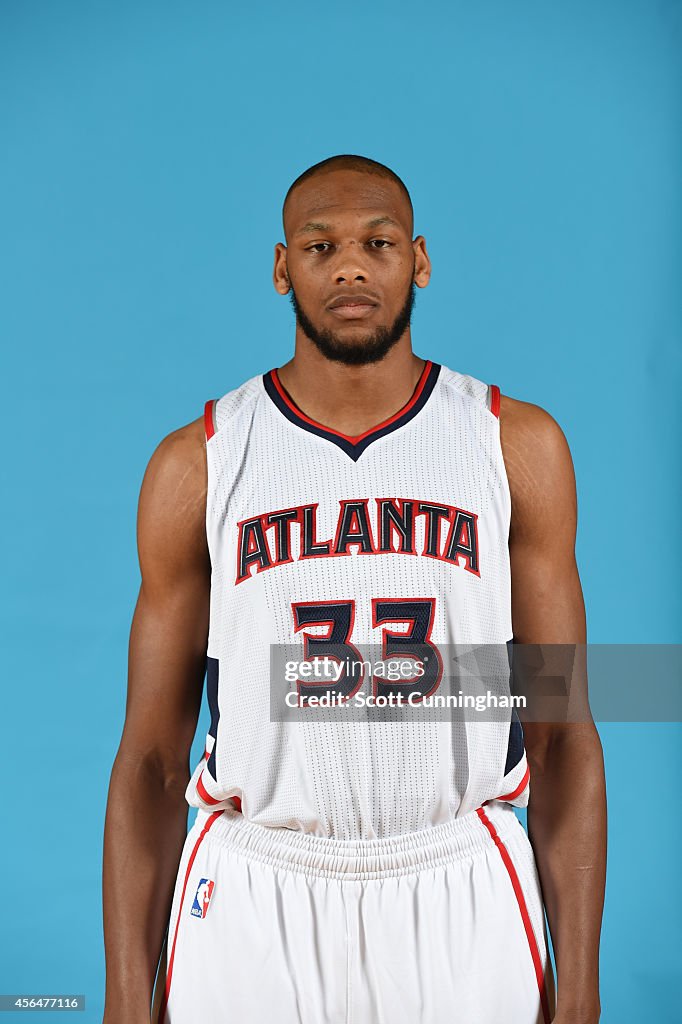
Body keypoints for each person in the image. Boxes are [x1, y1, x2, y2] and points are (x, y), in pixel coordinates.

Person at [102, 154, 607, 1024]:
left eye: (377, 243)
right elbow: (150, 758)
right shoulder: (200, 463)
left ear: (418, 259)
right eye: (319, 245)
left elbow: (564, 734)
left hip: (461, 885)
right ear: (280, 267)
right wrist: (122, 994)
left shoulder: (513, 446)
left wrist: (581, 990)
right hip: (257, 889)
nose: (348, 267)